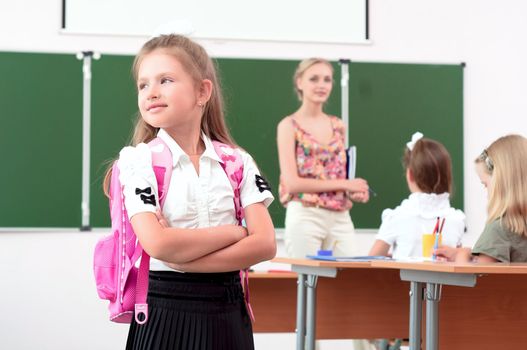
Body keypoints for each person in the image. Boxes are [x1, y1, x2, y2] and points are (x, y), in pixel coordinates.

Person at [104, 34, 276, 350]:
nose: (151, 92)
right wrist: (236, 233)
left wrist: (183, 258)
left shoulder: (237, 161)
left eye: (165, 80)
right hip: (163, 313)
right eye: (143, 85)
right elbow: (158, 243)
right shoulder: (137, 160)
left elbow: (265, 243)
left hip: (227, 312)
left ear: (202, 91)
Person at [276, 57, 370, 259]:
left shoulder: (338, 125)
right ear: (300, 82)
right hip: (305, 213)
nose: (321, 85)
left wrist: (353, 191)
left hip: (339, 215)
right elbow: (292, 184)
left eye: (327, 80)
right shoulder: (288, 126)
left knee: (351, 276)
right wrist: (346, 184)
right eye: (314, 79)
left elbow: (338, 175)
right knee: (306, 280)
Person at [369, 132, 466, 259]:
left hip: (403, 279)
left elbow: (370, 262)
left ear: (410, 174)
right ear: (447, 176)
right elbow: (459, 262)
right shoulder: (456, 220)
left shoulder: (396, 217)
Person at [435, 134, 527, 263]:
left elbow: (478, 281)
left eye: (485, 185)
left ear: (500, 183)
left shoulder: (498, 230)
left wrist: (462, 254)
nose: (487, 193)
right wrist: (471, 255)